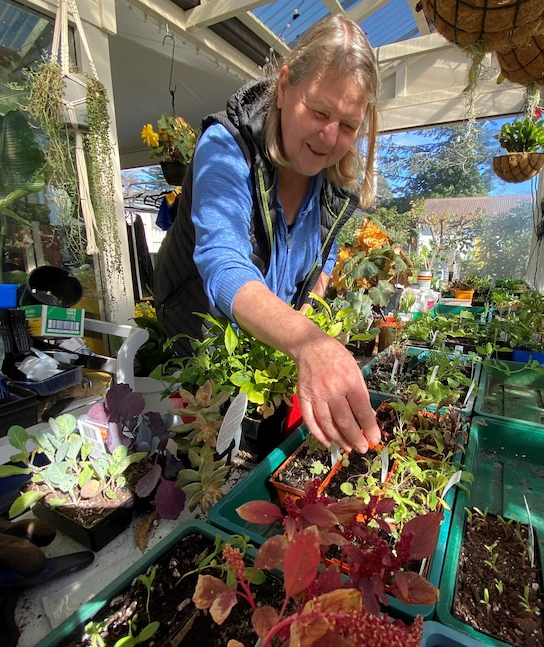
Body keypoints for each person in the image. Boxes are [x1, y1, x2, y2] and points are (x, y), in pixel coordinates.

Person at [154, 14, 381, 456]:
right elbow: (223, 264)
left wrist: (310, 310)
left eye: (349, 125)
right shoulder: (226, 148)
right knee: (205, 471)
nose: (331, 136)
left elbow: (324, 258)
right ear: (283, 87)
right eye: (318, 111)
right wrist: (309, 342)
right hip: (204, 352)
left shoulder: (333, 183)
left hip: (268, 360)